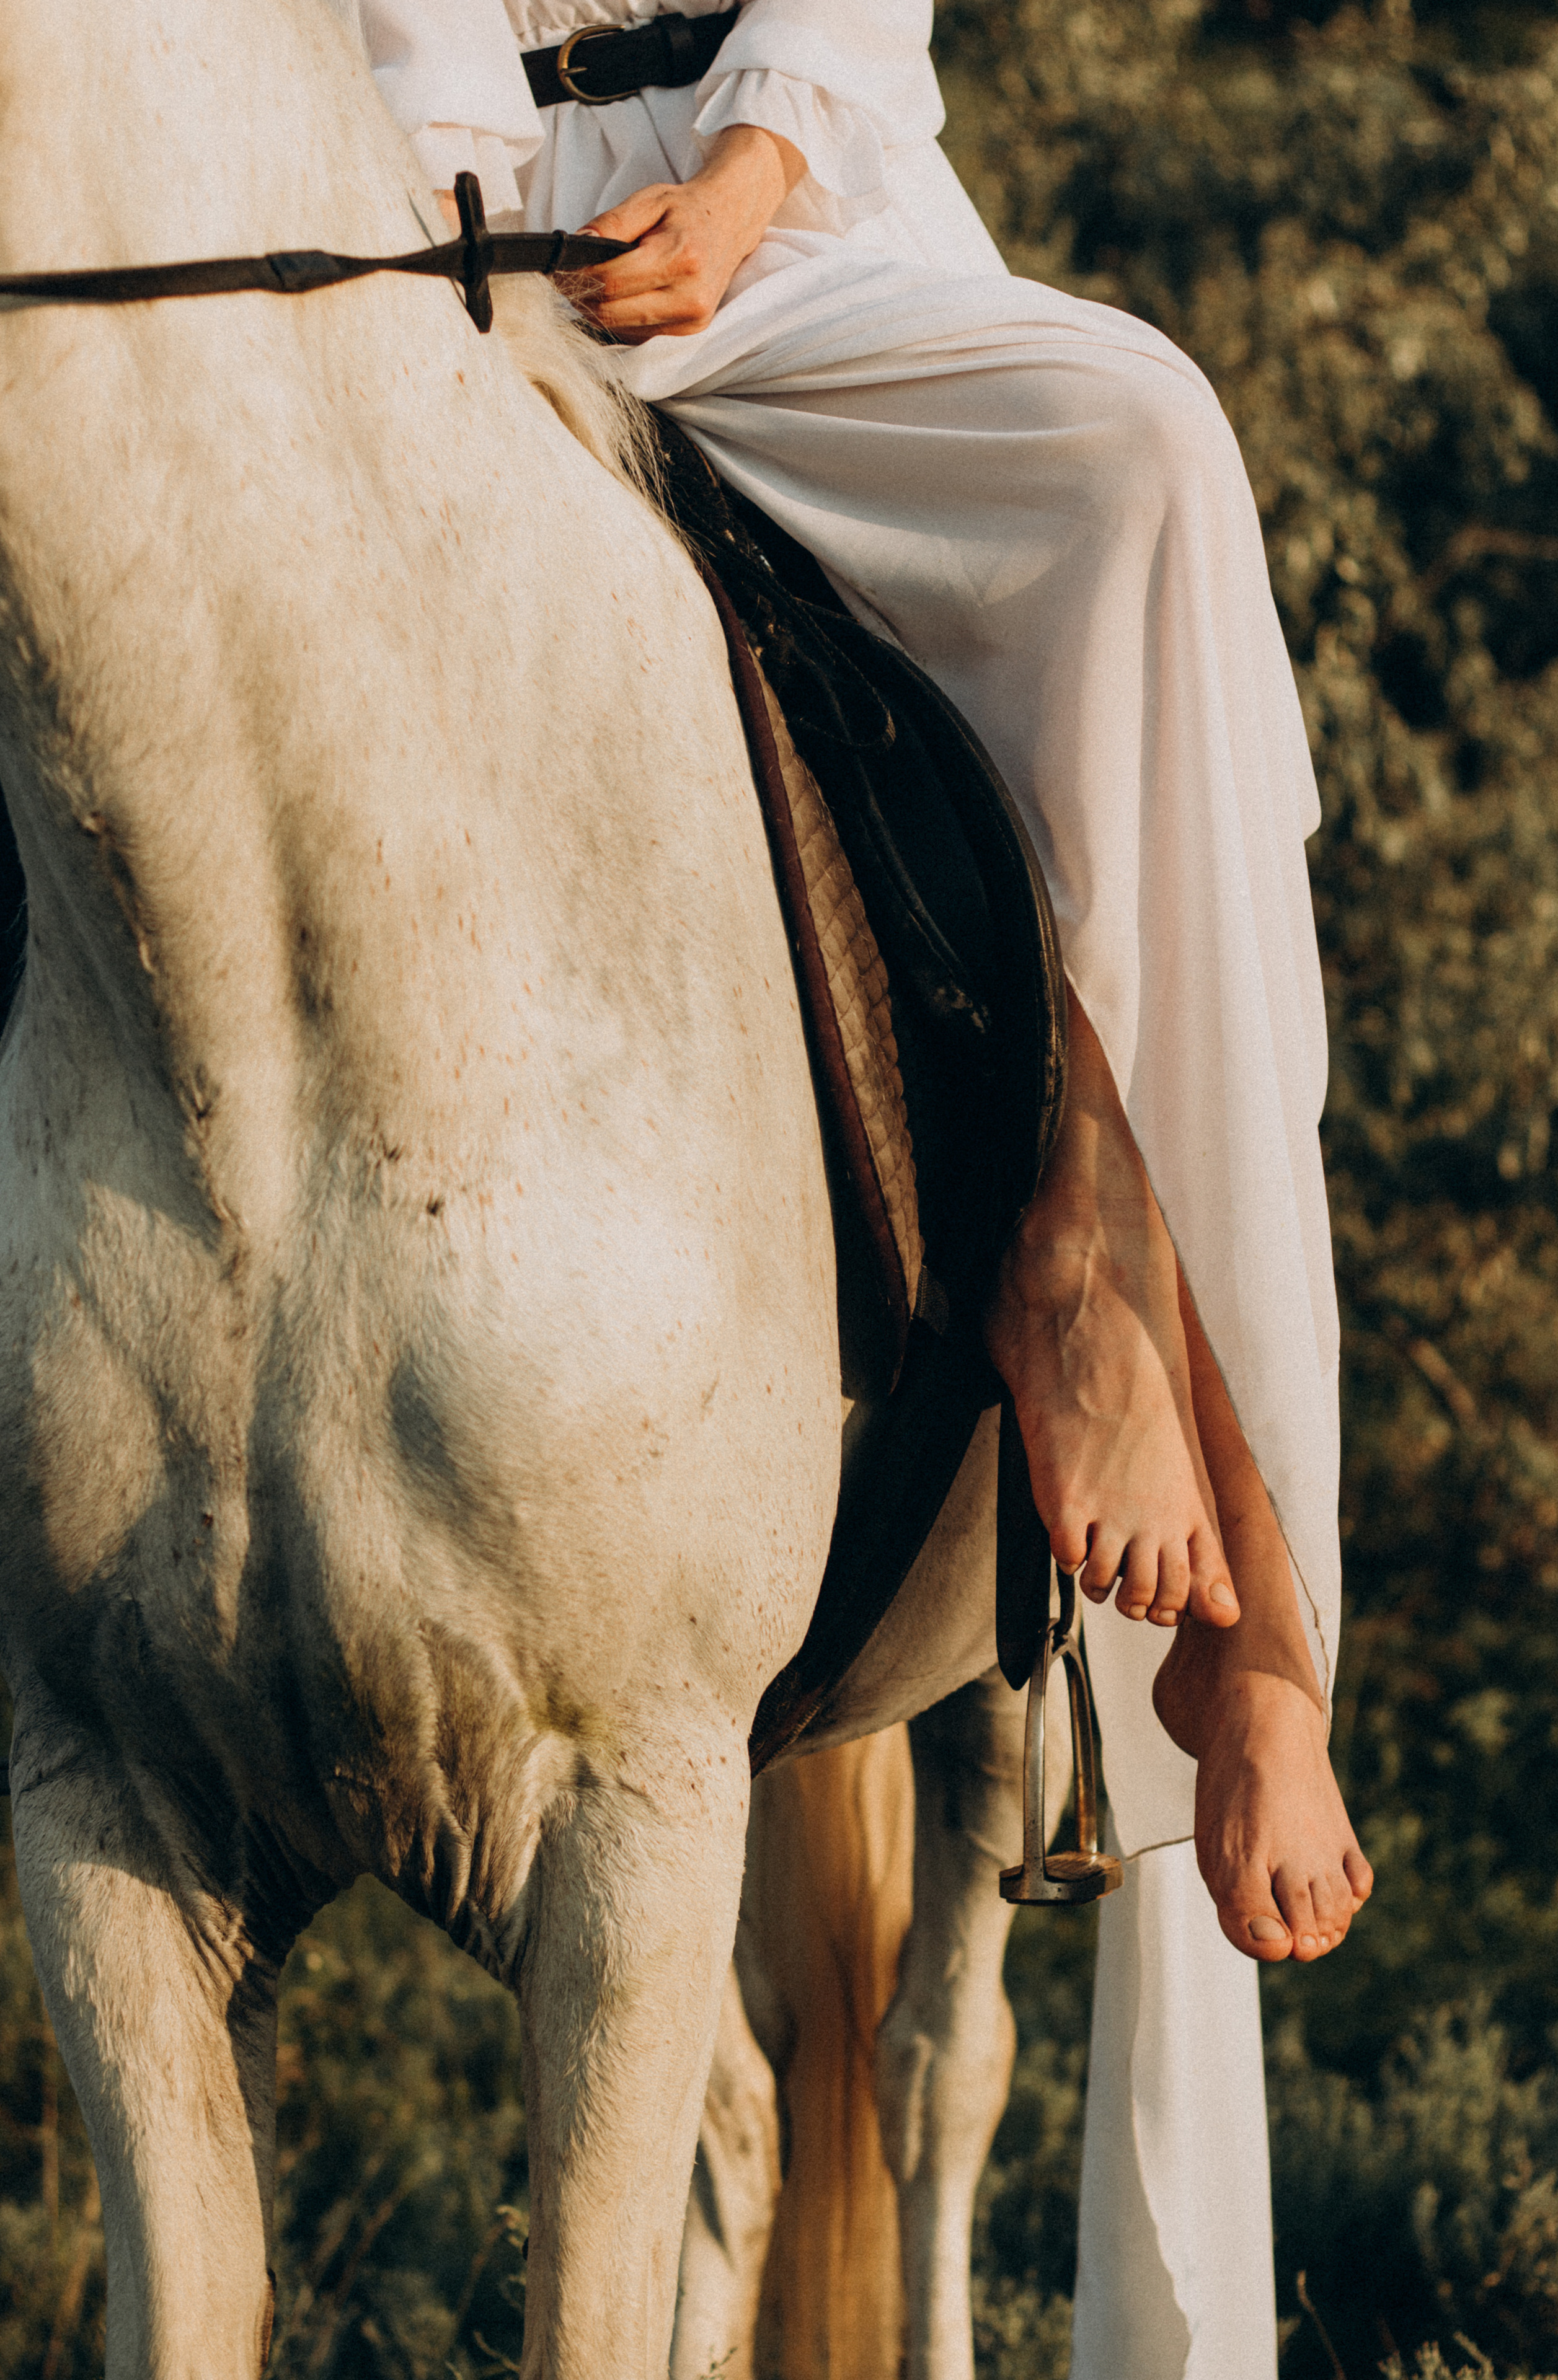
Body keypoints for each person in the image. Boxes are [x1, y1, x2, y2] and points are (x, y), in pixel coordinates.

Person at [359, 0, 1372, 1965]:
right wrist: (445, 223)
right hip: (422, 266)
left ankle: (1240, 1584)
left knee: (1146, 449)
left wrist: (744, 187)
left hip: (792, 231)